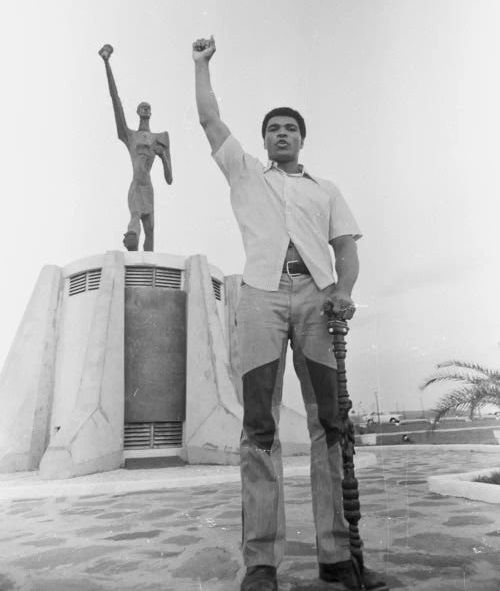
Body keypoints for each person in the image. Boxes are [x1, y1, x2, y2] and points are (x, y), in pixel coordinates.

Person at [192, 36, 387, 591]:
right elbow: (208, 119)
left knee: (331, 425)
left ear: (302, 139)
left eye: (291, 129)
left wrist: (343, 289)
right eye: (274, 128)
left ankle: (337, 557)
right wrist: (201, 65)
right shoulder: (246, 174)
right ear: (263, 140)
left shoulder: (325, 189)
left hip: (317, 300)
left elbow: (346, 248)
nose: (282, 134)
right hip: (260, 296)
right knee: (259, 427)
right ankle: (260, 563)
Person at [98, 44, 172, 251]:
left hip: (149, 188)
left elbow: (169, 179)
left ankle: (146, 264)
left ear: (151, 113)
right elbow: (116, 103)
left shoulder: (161, 138)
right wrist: (106, 63)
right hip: (135, 186)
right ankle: (131, 237)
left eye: (148, 107)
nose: (146, 108)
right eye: (142, 107)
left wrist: (163, 157)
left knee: (151, 231)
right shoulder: (130, 136)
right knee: (135, 216)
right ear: (138, 112)